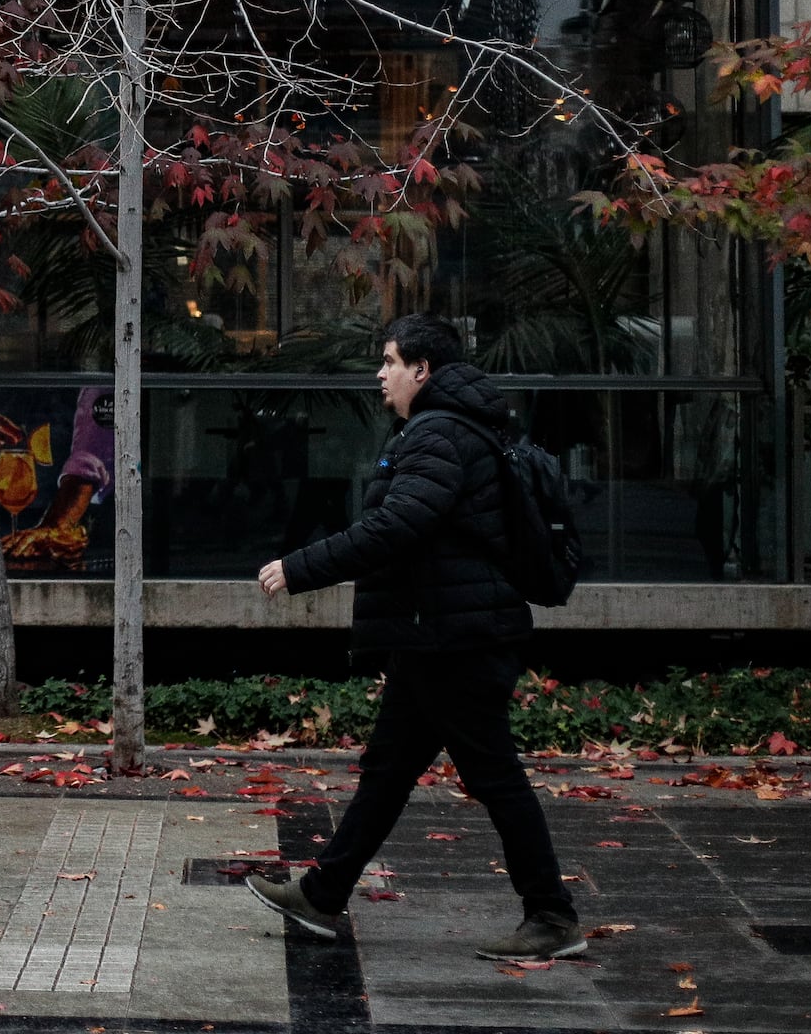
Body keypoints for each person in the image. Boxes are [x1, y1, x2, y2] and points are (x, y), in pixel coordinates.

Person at [247, 313, 585, 961]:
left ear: (422, 371)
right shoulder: (455, 430)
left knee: (494, 778)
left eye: (391, 361)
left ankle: (552, 916)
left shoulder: (437, 435)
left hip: (456, 640)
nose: (380, 373)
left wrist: (300, 567)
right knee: (388, 770)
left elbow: (396, 527)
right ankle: (322, 894)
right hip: (440, 634)